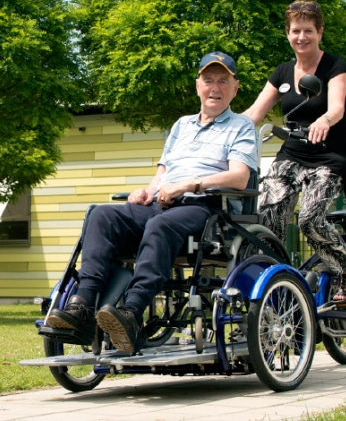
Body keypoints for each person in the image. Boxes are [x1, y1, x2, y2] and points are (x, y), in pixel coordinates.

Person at [46, 52, 258, 354]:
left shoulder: (241, 126)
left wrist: (189, 184)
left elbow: (238, 177)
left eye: (223, 81)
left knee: (160, 225)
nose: (215, 88)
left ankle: (131, 313)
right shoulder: (182, 125)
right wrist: (147, 190)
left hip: (207, 208)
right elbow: (164, 172)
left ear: (235, 88)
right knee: (101, 215)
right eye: (208, 80)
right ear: (197, 85)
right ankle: (83, 305)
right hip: (164, 201)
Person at [243, 0, 346, 300]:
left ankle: (343, 269)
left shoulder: (335, 66)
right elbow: (255, 113)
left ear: (320, 32)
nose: (302, 37)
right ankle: (275, 283)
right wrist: (226, 128)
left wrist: (324, 119)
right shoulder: (282, 72)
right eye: (296, 31)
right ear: (288, 34)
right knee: (267, 220)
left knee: (310, 220)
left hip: (328, 156)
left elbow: (338, 107)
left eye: (309, 31)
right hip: (292, 154)